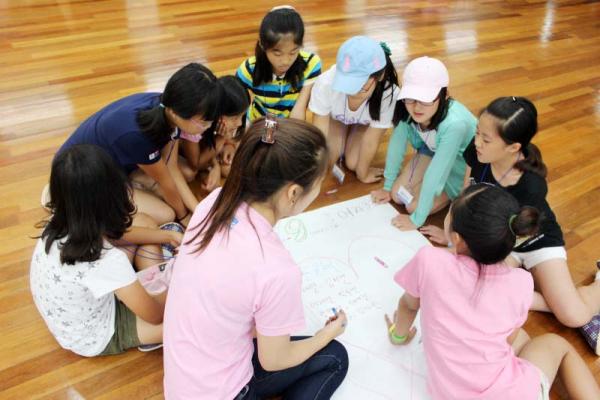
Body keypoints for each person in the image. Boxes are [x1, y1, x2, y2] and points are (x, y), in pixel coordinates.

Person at [163, 118, 348, 399]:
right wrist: (327, 334)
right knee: (335, 357)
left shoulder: (214, 202)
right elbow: (274, 360)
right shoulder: (276, 269)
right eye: (318, 184)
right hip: (224, 392)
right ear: (293, 193)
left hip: (180, 385)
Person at [421, 96, 600, 354]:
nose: (476, 142)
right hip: (498, 238)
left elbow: (522, 234)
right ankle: (553, 297)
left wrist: (475, 254)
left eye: (486, 139)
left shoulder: (531, 184)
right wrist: (451, 233)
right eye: (477, 133)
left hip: (533, 239)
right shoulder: (478, 153)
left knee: (573, 316)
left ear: (513, 147)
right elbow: (465, 195)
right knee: (474, 289)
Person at [387, 183, 600, 399]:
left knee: (525, 341)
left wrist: (398, 335)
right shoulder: (520, 283)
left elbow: (408, 305)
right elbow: (508, 340)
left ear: (457, 239)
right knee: (556, 345)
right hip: (511, 394)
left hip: (449, 394)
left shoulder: (429, 260)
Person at [30, 145, 168, 357]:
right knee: (188, 316)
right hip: (99, 336)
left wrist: (169, 236)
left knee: (145, 224)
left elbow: (117, 236)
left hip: (73, 318)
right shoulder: (108, 260)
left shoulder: (58, 223)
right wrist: (176, 285)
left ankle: (150, 283)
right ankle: (153, 291)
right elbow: (156, 316)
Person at [58, 63, 222, 226]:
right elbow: (166, 180)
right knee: (166, 214)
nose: (207, 127)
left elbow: (170, 168)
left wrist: (198, 210)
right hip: (81, 181)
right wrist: (184, 216)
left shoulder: (170, 107)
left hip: (111, 164)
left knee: (186, 175)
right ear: (176, 113)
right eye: (203, 123)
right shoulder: (138, 135)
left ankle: (133, 182)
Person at [371, 56, 476, 229]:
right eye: (410, 98)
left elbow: (437, 172)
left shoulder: (455, 124)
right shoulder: (406, 108)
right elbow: (397, 145)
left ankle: (449, 195)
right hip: (433, 153)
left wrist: (417, 219)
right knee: (396, 195)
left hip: (458, 168)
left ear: (445, 95)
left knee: (413, 207)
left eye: (425, 99)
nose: (416, 107)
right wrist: (387, 186)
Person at [310, 36, 399, 184]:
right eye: (347, 82)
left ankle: (354, 129)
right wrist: (314, 173)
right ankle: (344, 130)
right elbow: (319, 132)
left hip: (364, 125)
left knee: (354, 164)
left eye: (360, 83)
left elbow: (372, 140)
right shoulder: (325, 82)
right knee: (327, 160)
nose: (352, 90)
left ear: (380, 76)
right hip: (336, 119)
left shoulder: (389, 94)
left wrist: (363, 174)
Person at [236, 5, 321, 122]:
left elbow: (299, 110)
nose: (286, 61)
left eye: (293, 52)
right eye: (277, 54)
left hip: (289, 125)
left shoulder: (311, 64)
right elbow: (236, 106)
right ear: (263, 46)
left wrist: (289, 132)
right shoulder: (248, 69)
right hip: (257, 123)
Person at [180, 75, 250, 191]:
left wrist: (229, 145)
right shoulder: (197, 124)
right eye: (234, 118)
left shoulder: (221, 120)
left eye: (242, 116)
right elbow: (196, 164)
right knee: (190, 173)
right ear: (218, 111)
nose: (239, 123)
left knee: (228, 168)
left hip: (204, 149)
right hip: (187, 155)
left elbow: (240, 134)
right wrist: (222, 138)